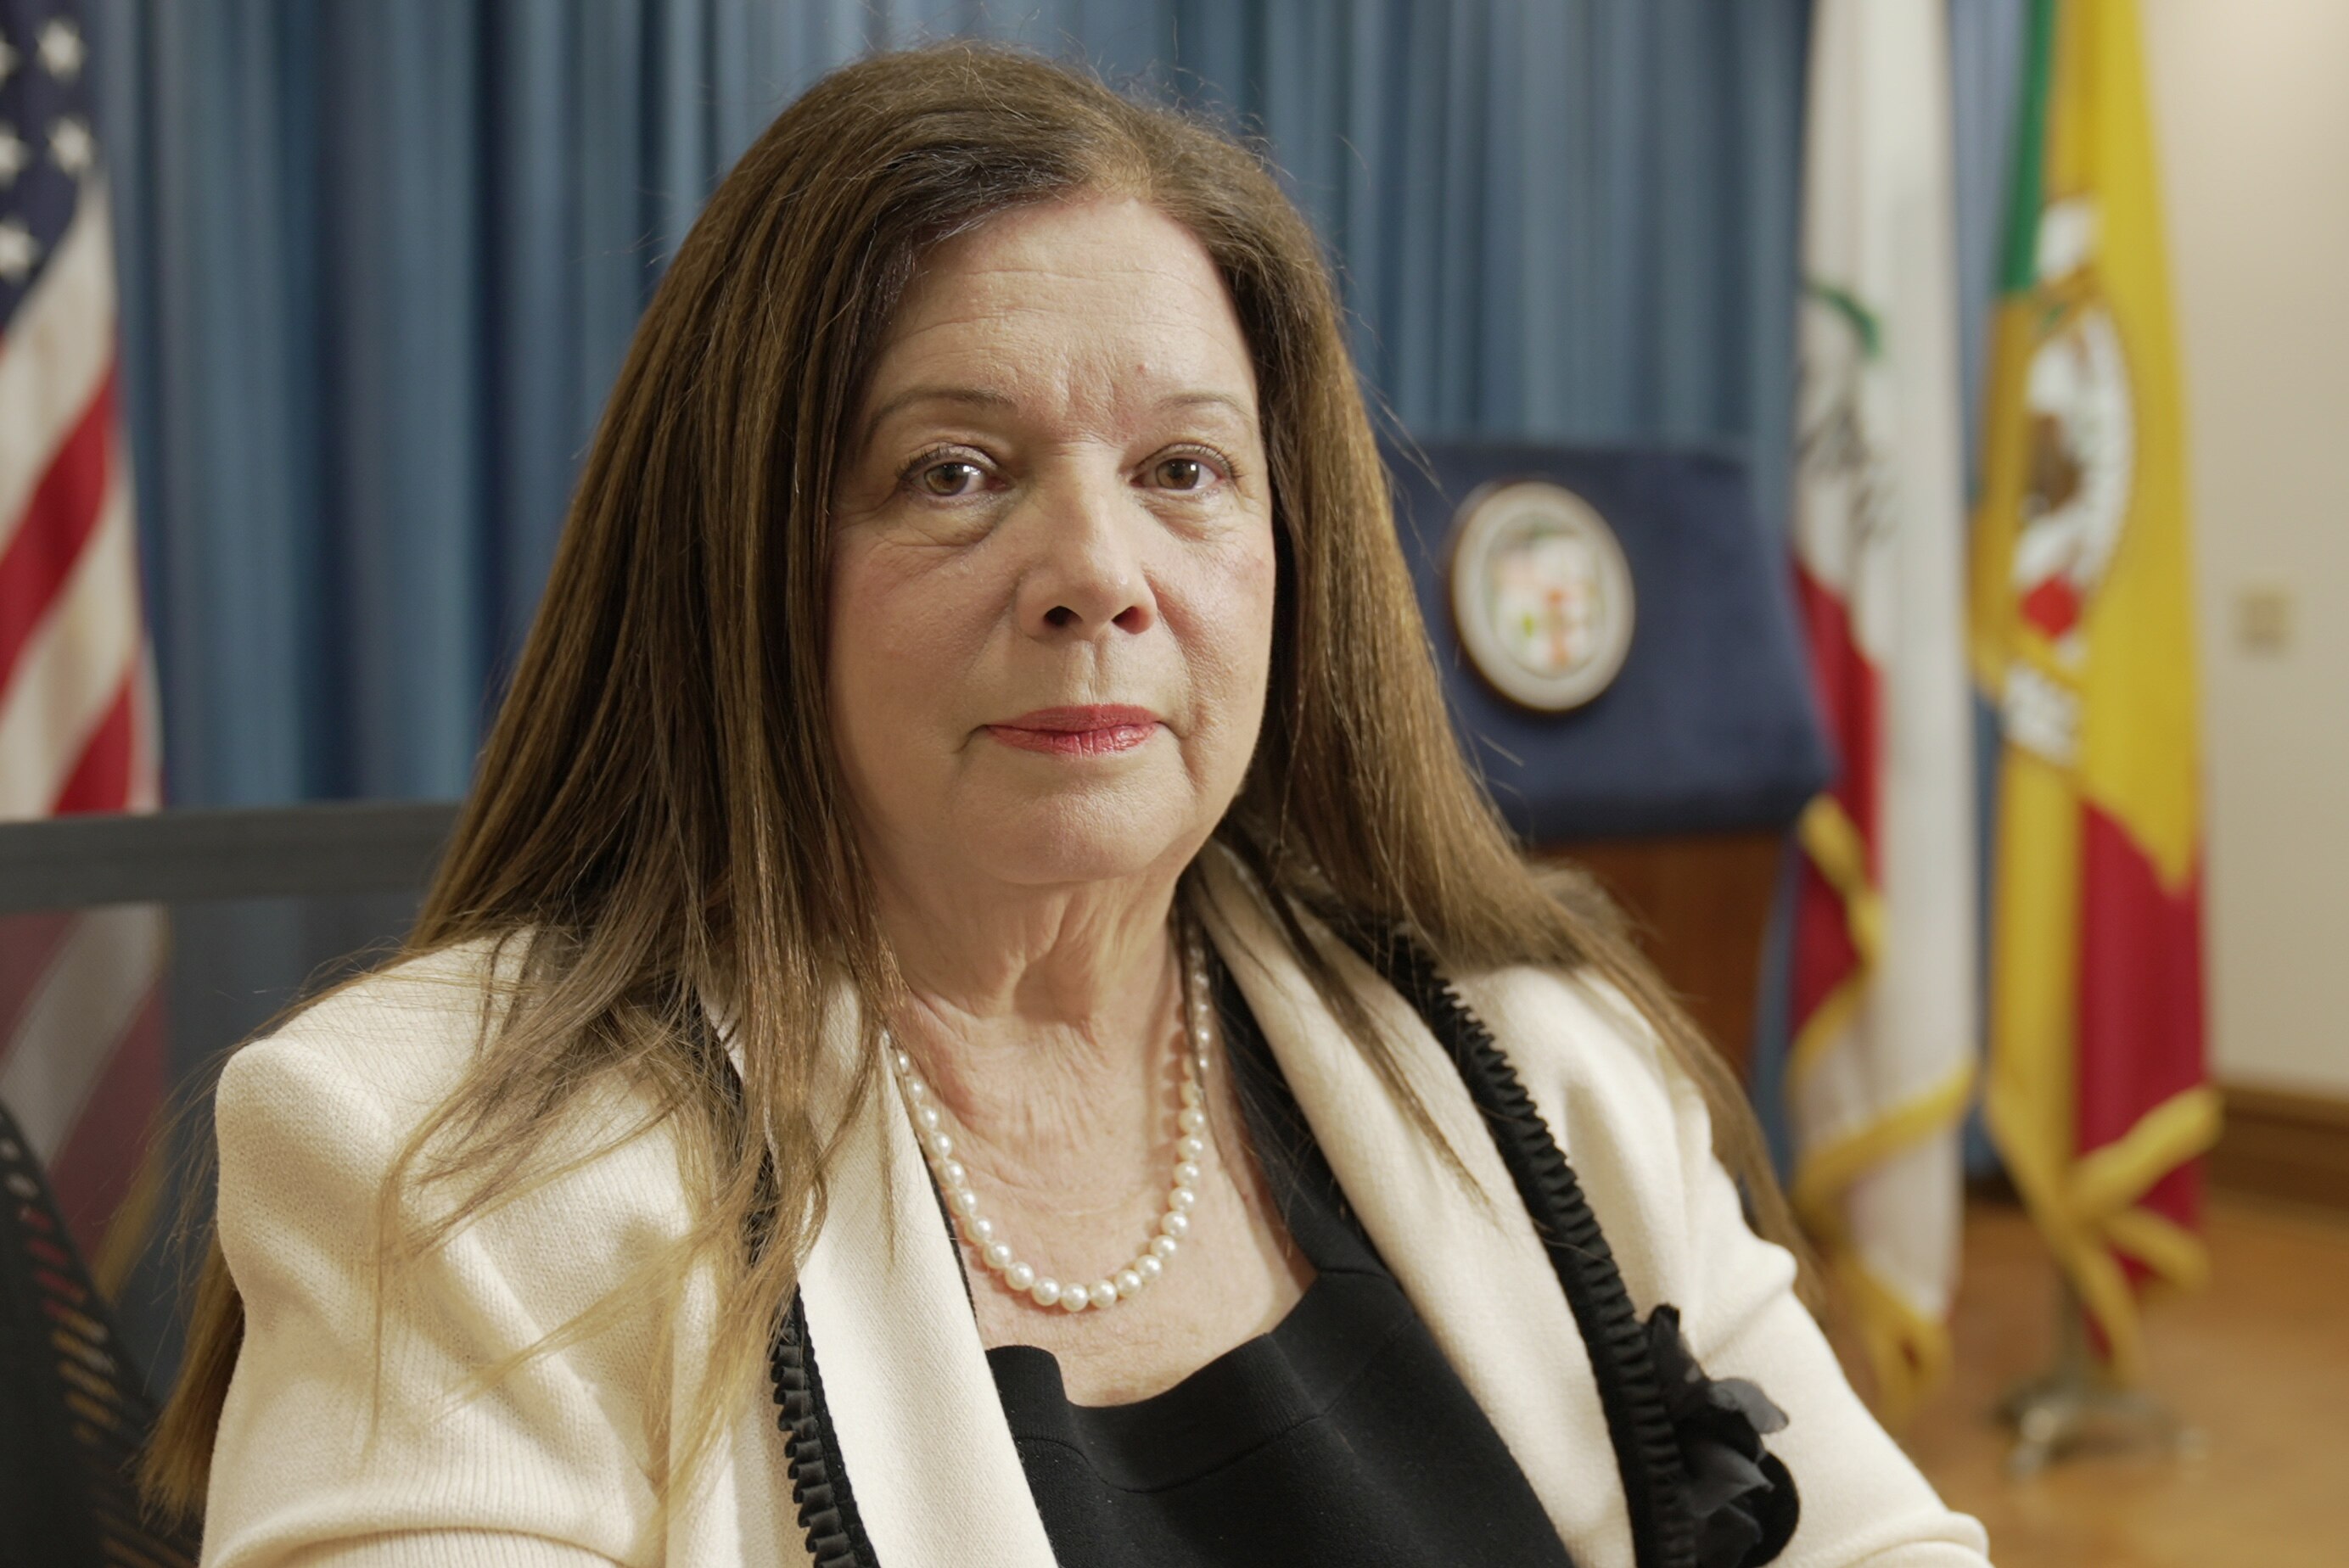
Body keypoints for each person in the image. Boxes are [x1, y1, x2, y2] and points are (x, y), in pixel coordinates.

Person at [145, 44, 1992, 1568]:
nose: (1097, 573)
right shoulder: (449, 1179)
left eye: (1184, 468)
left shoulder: (1543, 1067)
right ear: (740, 562)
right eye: (953, 472)